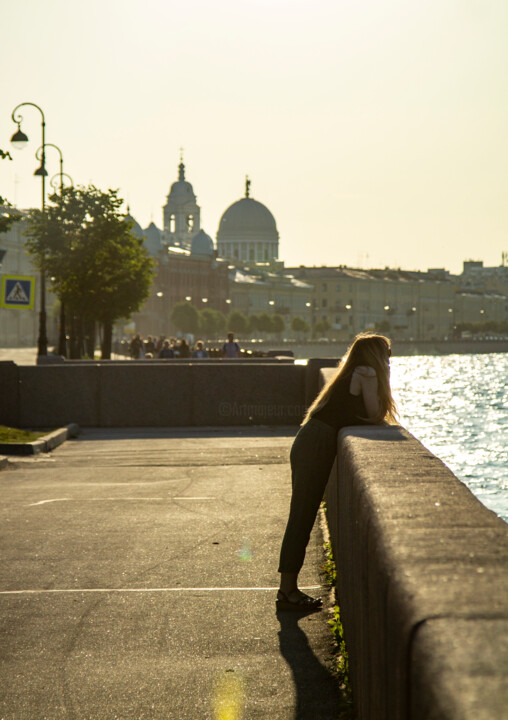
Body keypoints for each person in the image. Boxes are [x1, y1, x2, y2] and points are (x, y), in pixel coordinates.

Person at [277, 333, 397, 612]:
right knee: (301, 516)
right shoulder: (366, 372)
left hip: (312, 439)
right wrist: (381, 381)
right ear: (375, 355)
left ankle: (288, 589)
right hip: (316, 443)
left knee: (302, 515)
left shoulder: (353, 371)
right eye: (387, 354)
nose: (389, 360)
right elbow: (376, 414)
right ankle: (287, 591)